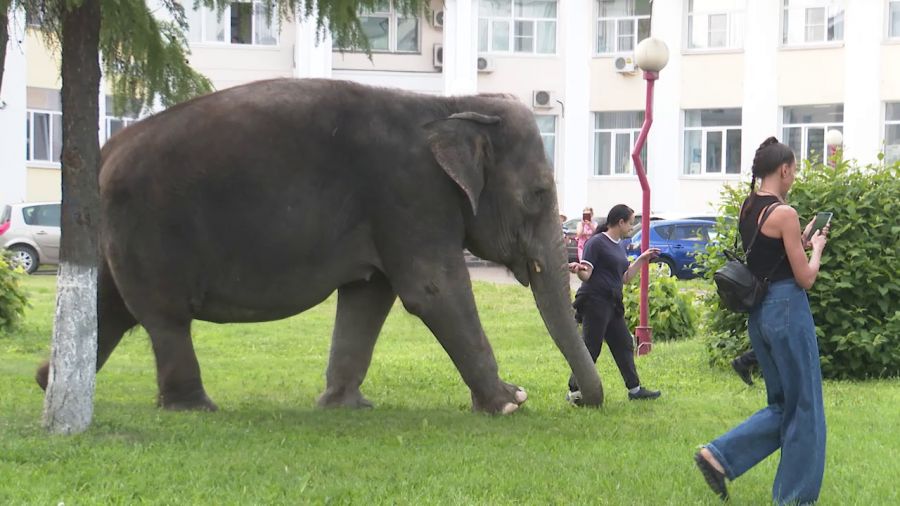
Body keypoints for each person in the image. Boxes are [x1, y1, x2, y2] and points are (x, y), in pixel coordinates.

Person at [694, 137, 829, 504]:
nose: (795, 176)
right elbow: (805, 278)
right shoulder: (784, 213)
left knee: (783, 406)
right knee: (805, 411)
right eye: (794, 170)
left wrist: (799, 239)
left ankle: (717, 456)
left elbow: (769, 256)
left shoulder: (749, 206)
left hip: (761, 315)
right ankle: (796, 499)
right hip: (788, 309)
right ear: (784, 169)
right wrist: (815, 249)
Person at [565, 204, 662, 403]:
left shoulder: (618, 245)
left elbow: (625, 277)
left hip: (613, 304)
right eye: (630, 222)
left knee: (624, 343)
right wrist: (577, 270)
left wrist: (642, 259)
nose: (631, 226)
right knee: (591, 347)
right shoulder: (597, 243)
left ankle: (635, 390)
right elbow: (587, 274)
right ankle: (574, 391)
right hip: (595, 302)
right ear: (620, 222)